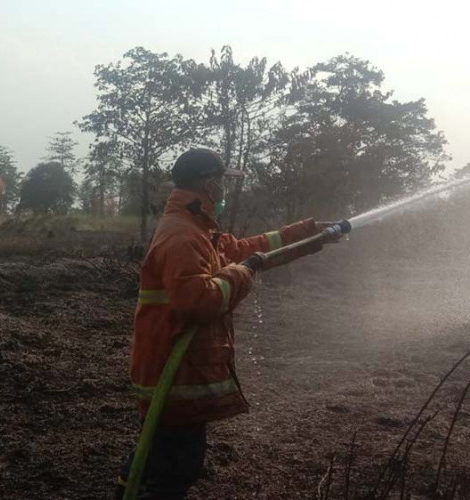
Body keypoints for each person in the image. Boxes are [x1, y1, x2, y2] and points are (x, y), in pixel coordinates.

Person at [115, 148, 341, 500]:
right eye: (221, 182)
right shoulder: (182, 235)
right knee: (174, 469)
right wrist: (241, 272)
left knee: (154, 459)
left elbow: (249, 250)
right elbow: (198, 301)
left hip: (176, 373)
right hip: (173, 378)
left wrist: (309, 235)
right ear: (209, 184)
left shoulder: (196, 228)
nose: (224, 190)